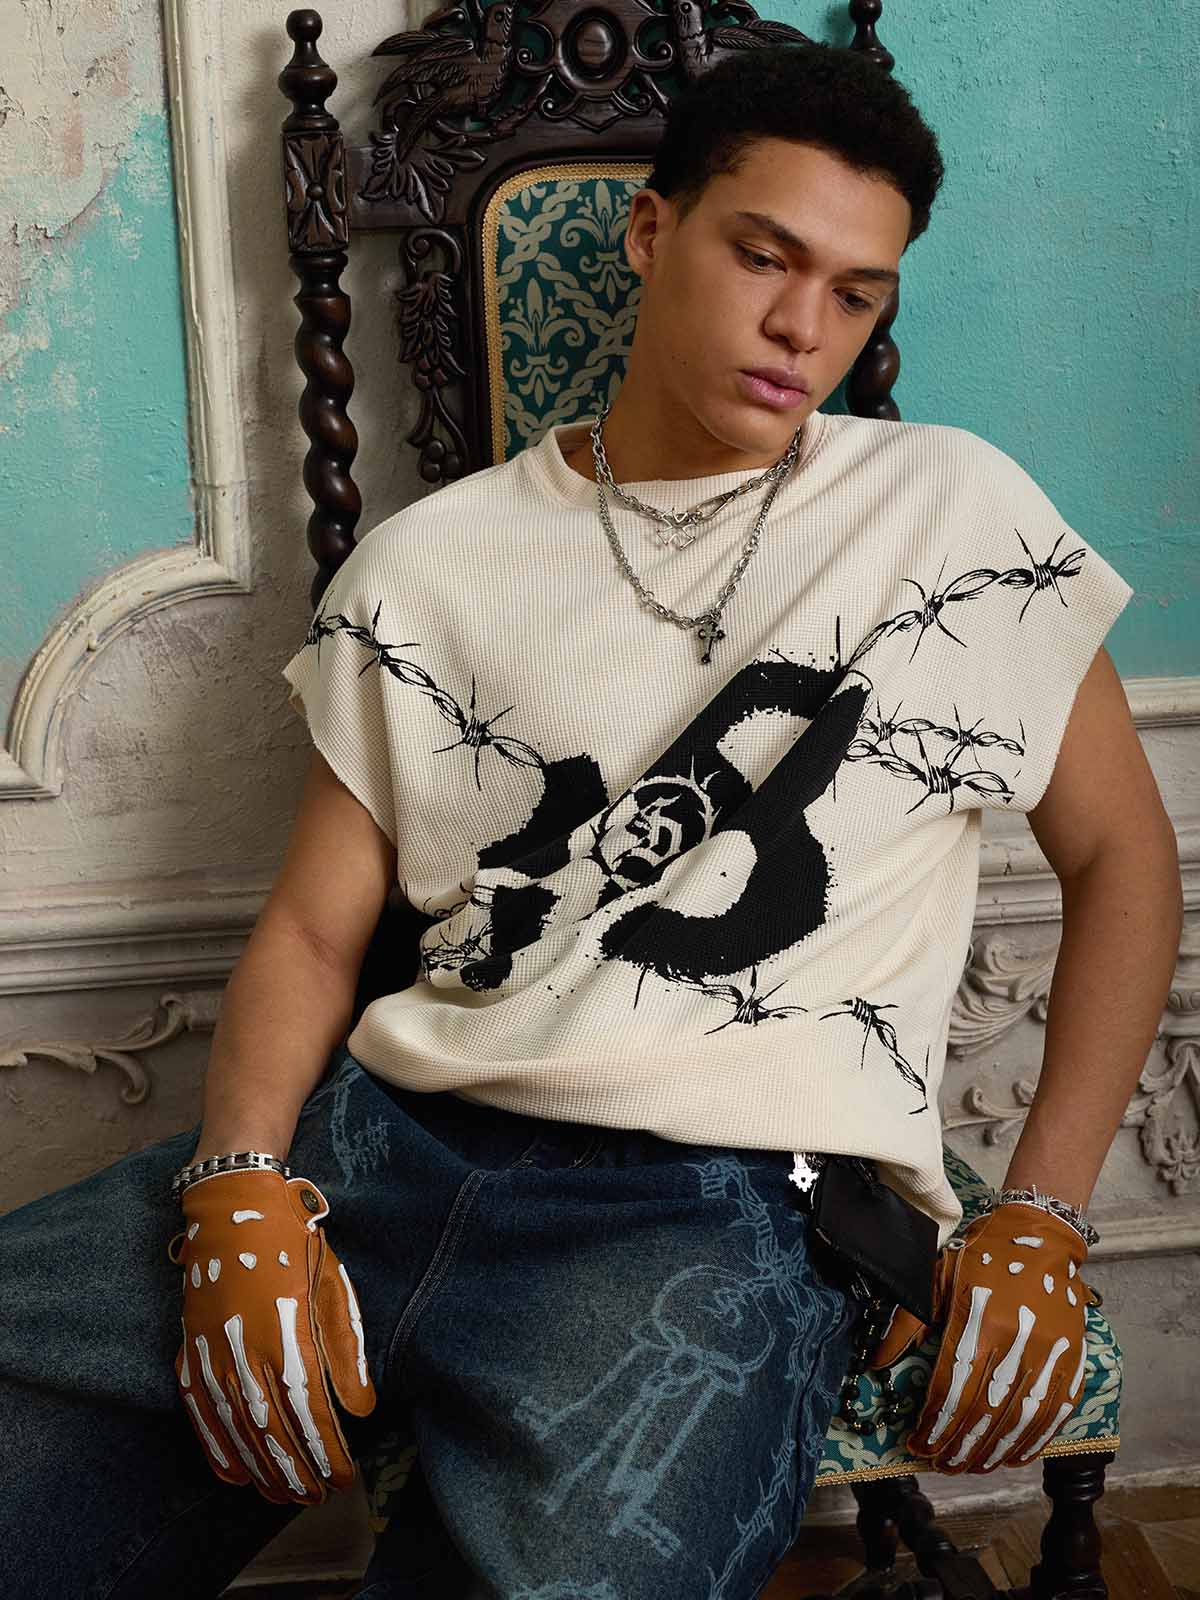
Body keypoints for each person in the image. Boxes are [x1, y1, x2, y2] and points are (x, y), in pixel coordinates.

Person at [0, 36, 1180, 1600]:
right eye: (764, 257)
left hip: (714, 1208)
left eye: (856, 293)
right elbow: (311, 930)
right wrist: (237, 1189)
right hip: (382, 1145)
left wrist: (1040, 1214)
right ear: (649, 230)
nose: (803, 328)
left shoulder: (956, 515)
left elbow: (1124, 860)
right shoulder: (427, 568)